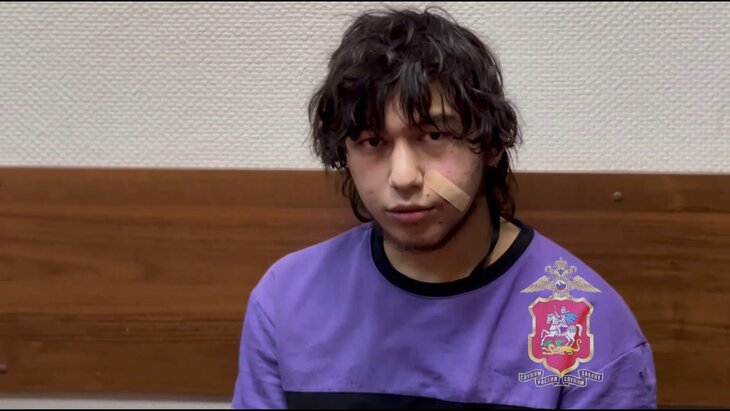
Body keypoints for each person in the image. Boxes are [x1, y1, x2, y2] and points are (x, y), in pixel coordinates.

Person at [232, 6, 657, 409]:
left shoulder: (587, 325)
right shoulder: (285, 301)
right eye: (371, 141)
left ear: (491, 144)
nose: (403, 177)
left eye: (434, 135)